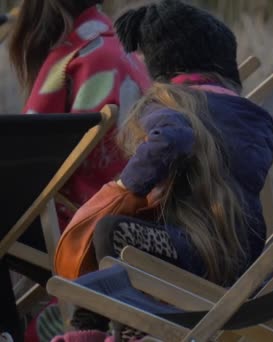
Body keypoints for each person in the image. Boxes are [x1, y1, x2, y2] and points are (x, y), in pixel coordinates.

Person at [56, 0, 273, 338]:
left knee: (110, 230)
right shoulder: (258, 119)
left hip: (195, 255)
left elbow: (172, 138)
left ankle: (114, 331)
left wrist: (127, 187)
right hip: (243, 261)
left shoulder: (172, 104)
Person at [2, 1, 150, 341]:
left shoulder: (74, 58)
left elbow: (22, 159)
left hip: (83, 230)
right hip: (131, 225)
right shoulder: (118, 49)